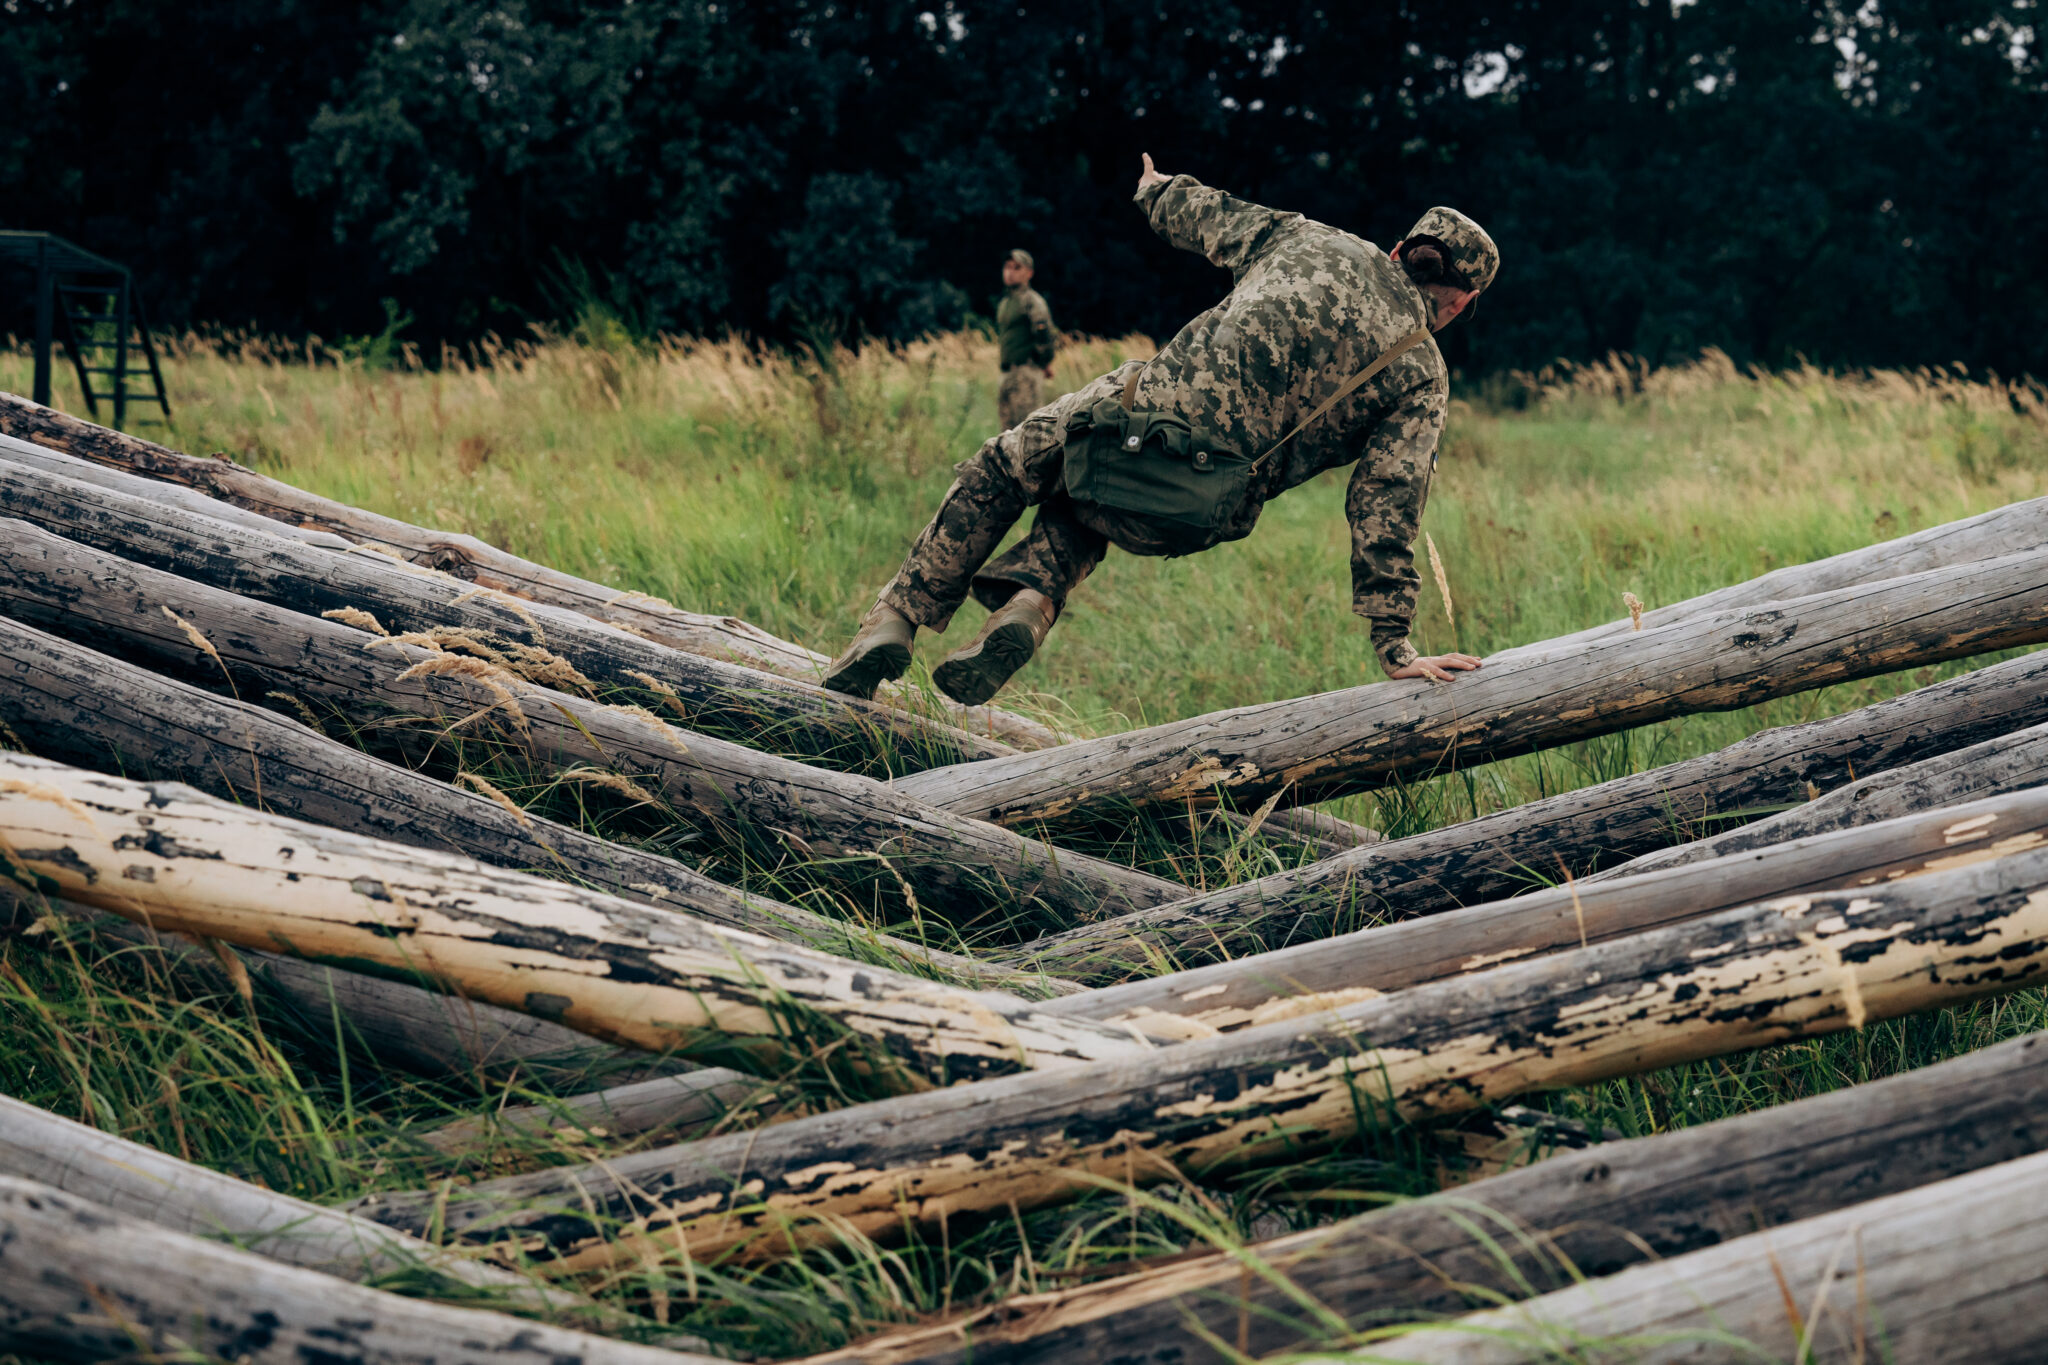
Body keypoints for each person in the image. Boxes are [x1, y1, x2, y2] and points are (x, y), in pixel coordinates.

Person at [823, 155, 1497, 707]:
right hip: (1199, 506)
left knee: (1007, 466)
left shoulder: (1311, 238)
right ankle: (1028, 602)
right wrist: (1395, 643)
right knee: (1097, 507)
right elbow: (1388, 501)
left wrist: (1153, 187)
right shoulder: (1422, 376)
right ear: (1461, 301)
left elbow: (1205, 215)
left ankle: (896, 619)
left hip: (1134, 417)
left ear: (1402, 248)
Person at [995, 248, 1058, 429]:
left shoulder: (1031, 301)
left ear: (1029, 273)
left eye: (1017, 268)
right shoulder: (1006, 302)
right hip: (1007, 373)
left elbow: (1044, 335)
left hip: (1025, 373)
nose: (1010, 272)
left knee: (1027, 430)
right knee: (1006, 434)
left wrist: (1041, 362)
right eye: (1007, 267)